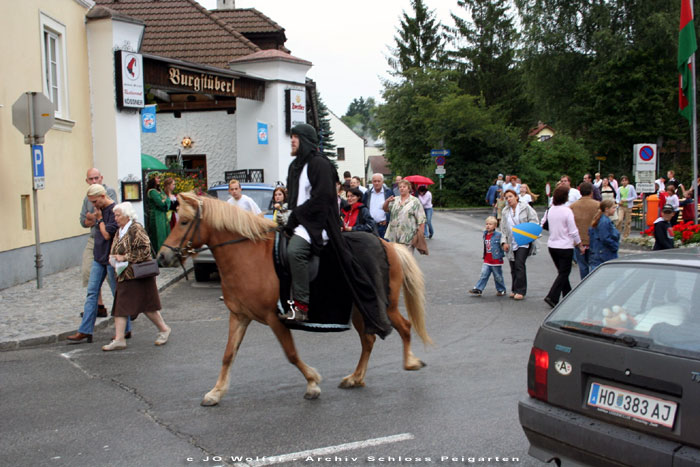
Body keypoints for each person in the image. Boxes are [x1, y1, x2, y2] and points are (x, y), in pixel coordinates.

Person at [282, 123, 387, 328]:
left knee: (295, 251)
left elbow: (322, 198)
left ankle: (301, 307)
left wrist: (295, 217)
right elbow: (296, 199)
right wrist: (287, 215)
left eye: (296, 137)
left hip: (317, 224)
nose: (292, 140)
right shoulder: (296, 166)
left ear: (305, 141)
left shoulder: (320, 164)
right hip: (300, 221)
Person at [102, 202, 171, 351]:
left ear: (127, 216)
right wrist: (113, 257)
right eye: (115, 215)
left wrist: (125, 257)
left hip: (138, 275)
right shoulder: (120, 230)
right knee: (121, 306)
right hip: (124, 275)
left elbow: (145, 250)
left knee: (147, 306)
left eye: (118, 215)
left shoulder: (136, 228)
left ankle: (164, 329)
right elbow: (117, 249)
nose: (115, 218)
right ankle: (120, 338)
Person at [68, 184, 131, 343]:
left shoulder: (115, 211)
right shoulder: (99, 209)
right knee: (91, 292)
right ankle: (85, 330)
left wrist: (99, 219)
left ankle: (126, 328)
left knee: (117, 293)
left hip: (111, 258)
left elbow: (107, 234)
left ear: (103, 196)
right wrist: (95, 219)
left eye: (95, 201)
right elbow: (87, 222)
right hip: (99, 257)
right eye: (92, 202)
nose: (94, 205)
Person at [79, 168, 117, 319]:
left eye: (96, 178)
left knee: (111, 277)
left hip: (107, 241)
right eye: (91, 179)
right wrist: (92, 219)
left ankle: (124, 310)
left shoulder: (108, 193)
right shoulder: (87, 198)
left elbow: (108, 221)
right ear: (87, 181)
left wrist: (95, 218)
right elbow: (83, 221)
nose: (94, 181)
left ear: (101, 178)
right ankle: (99, 307)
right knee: (89, 273)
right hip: (94, 239)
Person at [542, 186, 583, 308]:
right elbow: (573, 231)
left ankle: (568, 295)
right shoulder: (567, 211)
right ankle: (552, 296)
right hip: (565, 246)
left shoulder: (550, 210)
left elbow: (543, 224)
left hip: (552, 245)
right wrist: (580, 244)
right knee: (564, 273)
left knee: (562, 272)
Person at [500, 189, 539, 300]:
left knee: (519, 264)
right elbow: (503, 228)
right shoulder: (505, 211)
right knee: (513, 265)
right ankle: (514, 289)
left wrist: (526, 231)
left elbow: (534, 220)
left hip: (523, 240)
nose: (509, 199)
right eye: (506, 197)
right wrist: (504, 242)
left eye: (510, 196)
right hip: (511, 241)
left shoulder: (525, 207)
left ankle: (521, 290)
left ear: (516, 197)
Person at [383, 179, 426, 252]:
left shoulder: (415, 201)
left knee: (406, 259)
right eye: (400, 187)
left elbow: (421, 220)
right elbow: (385, 209)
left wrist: (420, 236)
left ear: (409, 189)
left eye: (404, 187)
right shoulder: (394, 200)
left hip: (408, 237)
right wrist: (387, 201)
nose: (402, 188)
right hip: (394, 235)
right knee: (395, 259)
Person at [469, 216, 507, 297]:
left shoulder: (498, 235)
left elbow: (503, 243)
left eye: (490, 224)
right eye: (486, 224)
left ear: (495, 226)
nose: (488, 226)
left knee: (498, 277)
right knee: (483, 275)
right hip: (487, 260)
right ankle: (478, 289)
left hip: (496, 260)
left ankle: (501, 289)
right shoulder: (485, 234)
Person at [570, 182, 600, 280]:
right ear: (591, 192)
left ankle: (584, 284)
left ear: (580, 192)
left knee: (582, 266)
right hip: (594, 240)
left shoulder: (573, 206)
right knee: (594, 265)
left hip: (579, 241)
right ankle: (593, 283)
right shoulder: (598, 205)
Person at [588, 200, 620, 271]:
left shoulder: (602, 219)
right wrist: (614, 246)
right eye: (613, 208)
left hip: (600, 251)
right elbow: (604, 237)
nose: (615, 210)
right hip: (604, 252)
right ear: (606, 209)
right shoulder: (604, 222)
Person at [362, 173, 392, 238]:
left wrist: (388, 221)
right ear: (372, 182)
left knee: (385, 246)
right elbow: (363, 208)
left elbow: (392, 209)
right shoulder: (367, 193)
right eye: (375, 181)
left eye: (379, 181)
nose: (376, 183)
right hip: (370, 226)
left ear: (382, 182)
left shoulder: (388, 192)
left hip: (383, 227)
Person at [146, 174, 171, 252]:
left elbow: (168, 200)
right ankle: (159, 256)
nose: (159, 180)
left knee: (166, 235)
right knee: (158, 237)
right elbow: (161, 203)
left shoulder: (159, 190)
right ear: (153, 179)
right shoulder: (152, 192)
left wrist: (165, 201)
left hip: (163, 215)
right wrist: (164, 201)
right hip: (156, 216)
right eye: (157, 178)